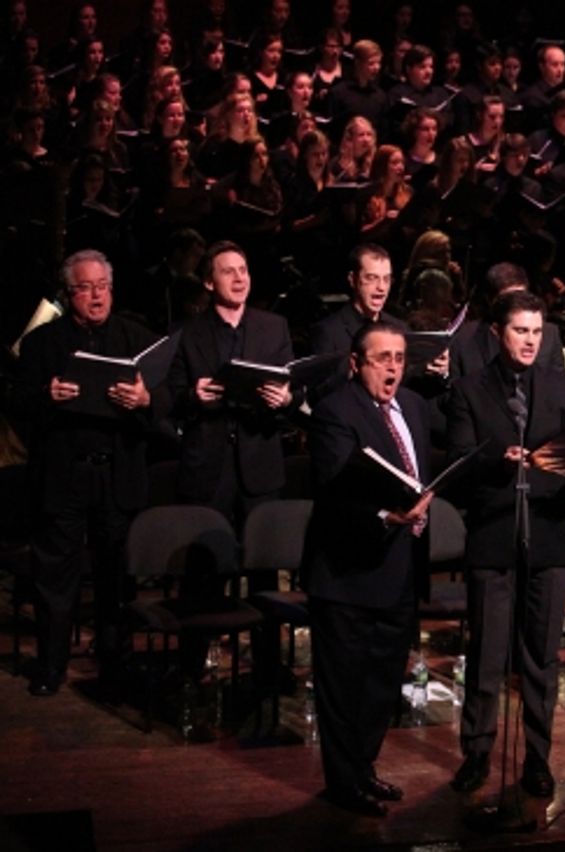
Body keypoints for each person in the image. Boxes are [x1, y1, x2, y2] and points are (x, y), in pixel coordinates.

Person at [446, 290, 565, 798]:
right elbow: (458, 464)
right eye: (520, 330)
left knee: (542, 657)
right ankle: (477, 753)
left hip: (548, 536)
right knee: (487, 655)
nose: (530, 340)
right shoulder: (470, 390)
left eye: (537, 332)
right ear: (499, 333)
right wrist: (500, 458)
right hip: (494, 534)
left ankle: (537, 757)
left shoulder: (563, 387)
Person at [17, 250, 164, 696]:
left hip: (117, 475)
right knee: (56, 579)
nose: (96, 296)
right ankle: (51, 666)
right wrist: (48, 396)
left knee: (114, 576)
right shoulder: (43, 343)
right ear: (68, 293)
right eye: (85, 288)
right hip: (64, 475)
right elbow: (18, 406)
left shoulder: (136, 337)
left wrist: (145, 402)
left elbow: (163, 406)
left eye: (103, 286)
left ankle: (115, 663)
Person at [303, 320, 433, 816]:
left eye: (400, 358)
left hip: (399, 571)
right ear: (357, 363)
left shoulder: (416, 408)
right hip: (347, 574)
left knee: (381, 685)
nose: (394, 368)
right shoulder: (336, 411)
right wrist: (385, 514)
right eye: (383, 359)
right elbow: (333, 489)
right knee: (343, 688)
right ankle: (343, 783)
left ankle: (363, 768)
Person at [167, 241, 295, 527]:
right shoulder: (185, 333)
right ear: (210, 283)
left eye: (243, 270)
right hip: (207, 469)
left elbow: (293, 390)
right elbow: (170, 398)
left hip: (261, 466)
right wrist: (193, 396)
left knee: (265, 563)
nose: (239, 279)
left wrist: (285, 399)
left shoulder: (274, 327)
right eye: (229, 272)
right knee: (209, 562)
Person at [307, 243, 411, 402]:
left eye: (386, 279)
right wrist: (357, 372)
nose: (381, 288)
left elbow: (409, 386)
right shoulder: (328, 331)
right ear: (353, 279)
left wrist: (436, 371)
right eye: (372, 278)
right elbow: (317, 394)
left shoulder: (400, 329)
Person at [449, 261, 565, 380]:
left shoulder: (550, 334)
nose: (515, 306)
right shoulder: (466, 338)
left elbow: (560, 385)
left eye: (520, 297)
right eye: (507, 301)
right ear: (489, 299)